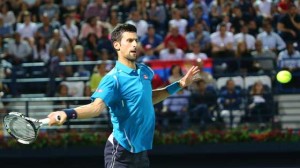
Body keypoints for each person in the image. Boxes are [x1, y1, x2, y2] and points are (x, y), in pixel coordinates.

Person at [47, 24, 199, 167]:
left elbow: (148, 98)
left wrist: (179, 85)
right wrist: (66, 113)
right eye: (129, 40)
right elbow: (96, 108)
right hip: (120, 152)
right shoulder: (113, 79)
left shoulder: (145, 71)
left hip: (141, 152)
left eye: (136, 40)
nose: (134, 44)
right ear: (117, 45)